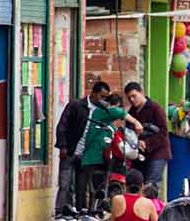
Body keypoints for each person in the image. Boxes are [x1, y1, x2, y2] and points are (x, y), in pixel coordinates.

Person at [54, 81, 111, 212]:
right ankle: (60, 212)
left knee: (82, 187)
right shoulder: (76, 105)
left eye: (105, 98)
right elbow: (62, 126)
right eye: (101, 96)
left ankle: (81, 213)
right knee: (65, 185)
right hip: (70, 151)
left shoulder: (102, 112)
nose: (103, 100)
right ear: (94, 93)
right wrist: (63, 146)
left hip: (86, 156)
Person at [81, 93, 143, 210]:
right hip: (94, 159)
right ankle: (90, 213)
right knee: (94, 190)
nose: (118, 118)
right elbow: (117, 112)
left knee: (101, 186)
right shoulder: (100, 113)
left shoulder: (110, 125)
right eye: (117, 107)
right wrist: (136, 122)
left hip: (106, 160)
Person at [125, 82, 171, 186]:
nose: (132, 100)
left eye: (134, 96)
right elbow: (128, 131)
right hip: (139, 154)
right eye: (129, 98)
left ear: (141, 93)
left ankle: (151, 202)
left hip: (158, 153)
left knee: (151, 185)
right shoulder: (131, 112)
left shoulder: (155, 108)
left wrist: (146, 143)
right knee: (136, 183)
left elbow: (163, 132)